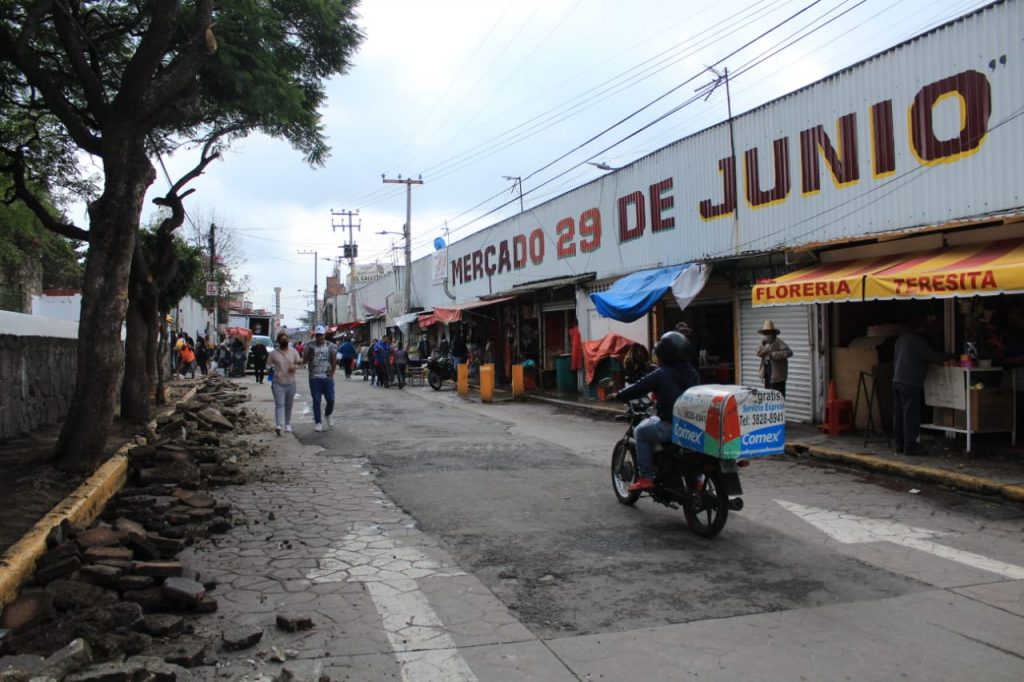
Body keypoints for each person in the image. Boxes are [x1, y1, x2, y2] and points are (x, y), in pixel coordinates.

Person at [607, 332, 700, 493]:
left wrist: (619, 395)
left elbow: (639, 387)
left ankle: (646, 478)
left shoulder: (661, 373)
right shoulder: (693, 372)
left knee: (640, 432)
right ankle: (697, 481)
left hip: (671, 426)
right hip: (692, 427)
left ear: (664, 355)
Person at [893, 320, 949, 455]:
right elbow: (930, 355)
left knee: (899, 414)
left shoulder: (900, 339)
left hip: (897, 380)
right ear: (919, 328)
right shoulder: (917, 341)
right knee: (910, 415)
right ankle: (910, 445)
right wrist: (948, 357)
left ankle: (899, 444)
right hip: (910, 381)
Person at [303, 325, 338, 431]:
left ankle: (328, 414)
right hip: (314, 378)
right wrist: (307, 356)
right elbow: (304, 360)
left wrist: (331, 375)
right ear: (315, 335)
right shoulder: (310, 346)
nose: (319, 338)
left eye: (321, 335)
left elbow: (333, 360)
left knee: (331, 400)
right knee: (317, 400)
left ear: (324, 335)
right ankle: (318, 422)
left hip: (326, 377)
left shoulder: (331, 346)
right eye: (317, 335)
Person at [268, 331, 302, 435]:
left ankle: (288, 424)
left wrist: (295, 366)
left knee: (289, 405)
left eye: (286, 339)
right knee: (279, 404)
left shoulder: (293, 351)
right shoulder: (273, 353)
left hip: (291, 382)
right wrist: (272, 368)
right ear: (278, 341)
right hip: (278, 382)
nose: (284, 341)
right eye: (282, 340)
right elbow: (268, 365)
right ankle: (278, 424)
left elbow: (300, 362)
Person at [756, 320, 793, 396]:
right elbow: (758, 353)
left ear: (773, 334)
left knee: (778, 397)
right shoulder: (764, 343)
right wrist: (763, 347)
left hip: (777, 377)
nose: (766, 336)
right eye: (765, 334)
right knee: (768, 396)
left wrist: (774, 354)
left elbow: (789, 352)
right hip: (767, 374)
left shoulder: (778, 342)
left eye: (768, 333)